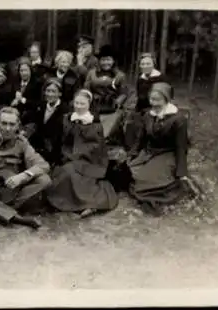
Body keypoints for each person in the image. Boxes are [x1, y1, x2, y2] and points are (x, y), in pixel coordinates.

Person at [45, 89, 118, 218]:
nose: (78, 106)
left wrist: (79, 155)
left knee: (73, 174)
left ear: (89, 104)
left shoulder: (94, 124)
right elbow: (63, 140)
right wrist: (65, 154)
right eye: (77, 103)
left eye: (82, 104)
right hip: (68, 156)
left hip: (89, 159)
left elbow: (97, 146)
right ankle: (78, 204)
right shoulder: (67, 119)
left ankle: (89, 204)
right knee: (63, 175)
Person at [127, 82, 191, 216]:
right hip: (149, 152)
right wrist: (133, 153)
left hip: (167, 154)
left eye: (157, 100)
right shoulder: (148, 115)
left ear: (166, 99)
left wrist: (181, 172)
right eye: (152, 99)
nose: (153, 103)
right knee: (128, 173)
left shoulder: (178, 119)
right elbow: (141, 138)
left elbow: (181, 147)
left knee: (149, 183)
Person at [25, 78, 70, 167]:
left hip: (54, 148)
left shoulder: (65, 110)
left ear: (60, 94)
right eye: (48, 91)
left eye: (53, 91)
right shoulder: (41, 105)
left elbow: (63, 136)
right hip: (39, 144)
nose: (50, 94)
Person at [84, 44, 128, 116]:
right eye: (103, 60)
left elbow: (124, 93)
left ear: (113, 61)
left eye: (108, 60)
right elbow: (86, 90)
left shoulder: (120, 75)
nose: (105, 63)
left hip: (112, 108)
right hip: (94, 106)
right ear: (99, 61)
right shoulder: (91, 73)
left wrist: (118, 102)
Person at [10, 56, 43, 121]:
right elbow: (9, 97)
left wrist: (22, 100)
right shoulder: (15, 82)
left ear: (30, 70)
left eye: (26, 70)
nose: (23, 73)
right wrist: (13, 101)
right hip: (14, 114)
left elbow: (38, 103)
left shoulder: (37, 84)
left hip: (29, 116)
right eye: (21, 70)